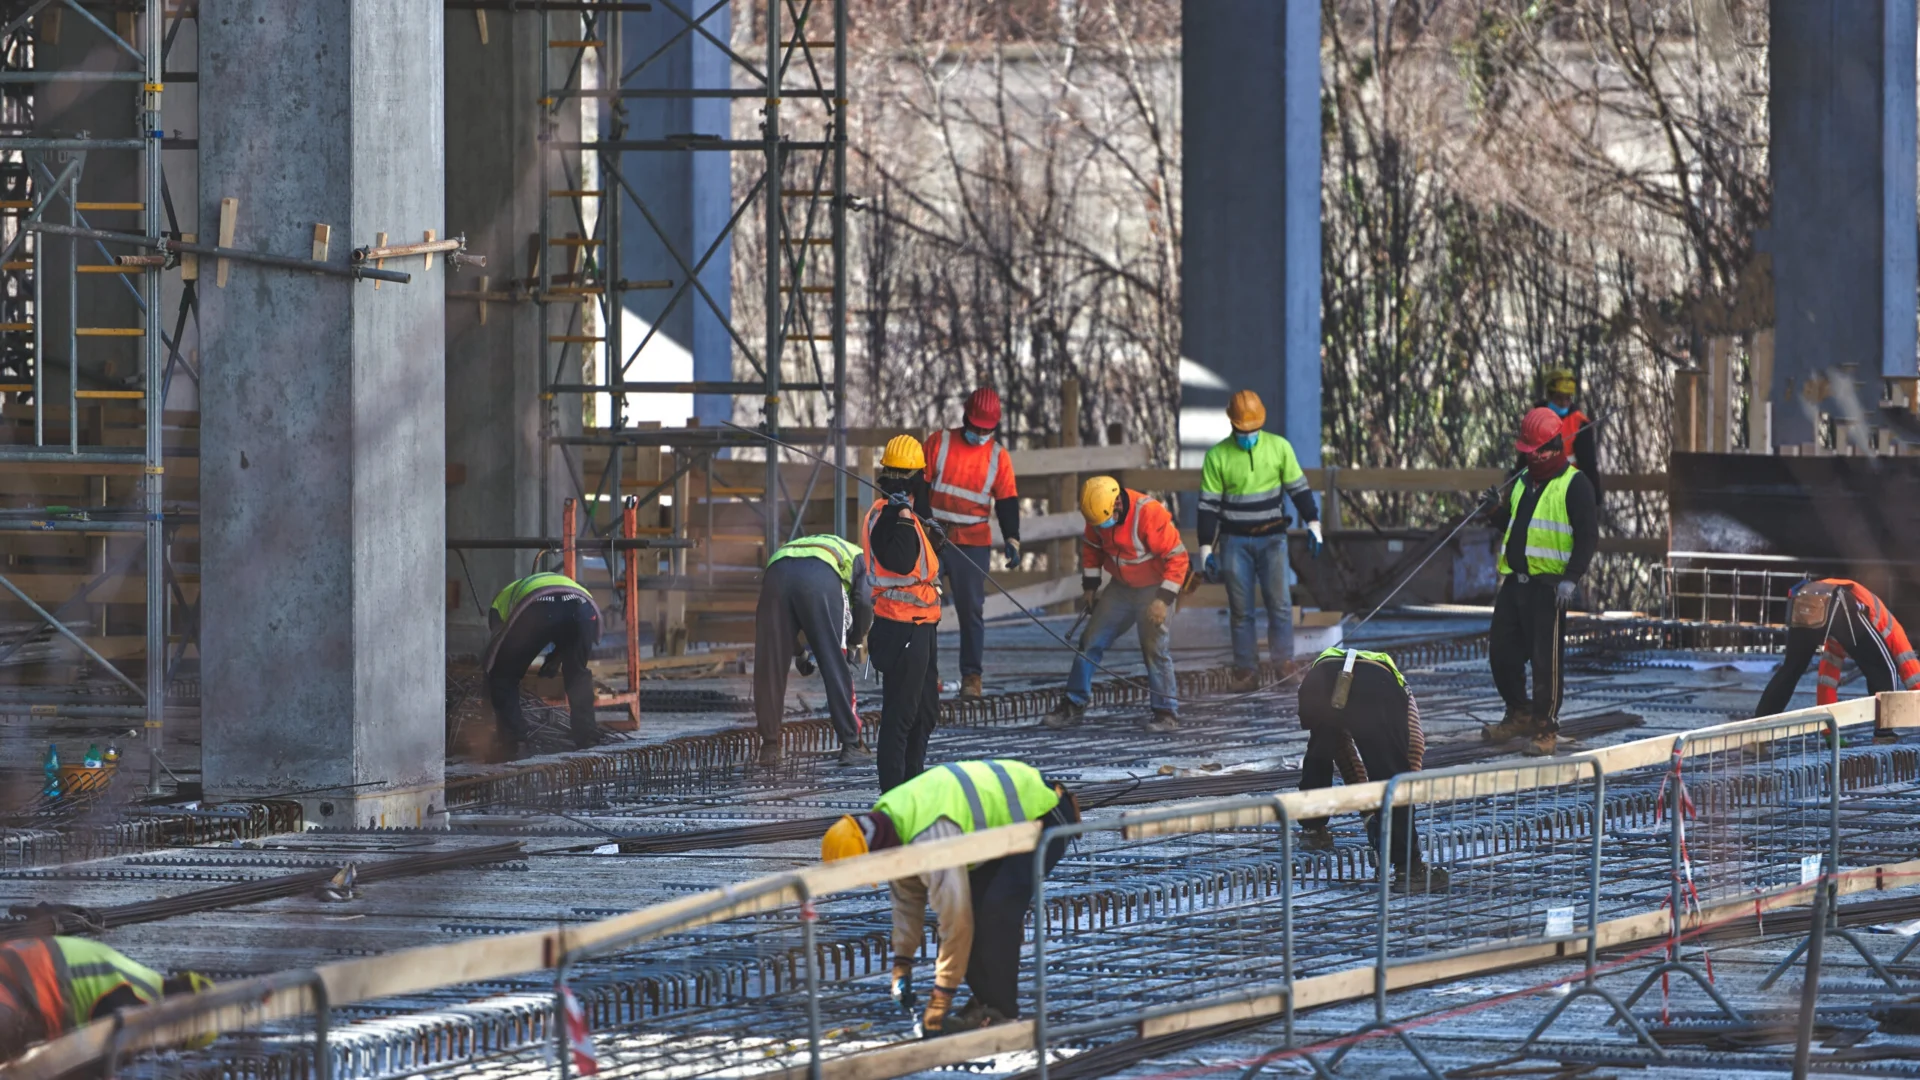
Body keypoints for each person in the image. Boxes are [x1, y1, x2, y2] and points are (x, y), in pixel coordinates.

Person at [819, 759, 1080, 1037]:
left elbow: (957, 925)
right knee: (982, 911)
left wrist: (940, 999)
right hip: (1001, 832)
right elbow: (907, 903)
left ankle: (1002, 1013)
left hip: (1044, 811)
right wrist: (901, 967)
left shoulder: (930, 838)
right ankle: (987, 1004)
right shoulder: (890, 824)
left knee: (994, 912)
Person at [1481, 407, 1598, 757]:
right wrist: (1494, 512)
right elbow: (1517, 527)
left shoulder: (1575, 485)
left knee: (1545, 662)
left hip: (1549, 589)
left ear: (1553, 447)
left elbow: (1587, 537)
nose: (1530, 457)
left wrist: (1571, 579)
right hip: (1515, 585)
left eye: (1535, 451)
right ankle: (1518, 712)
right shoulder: (1520, 482)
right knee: (1501, 654)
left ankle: (1545, 727)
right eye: (1526, 451)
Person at [1197, 389, 1324, 691]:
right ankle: (1246, 670)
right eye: (1243, 431)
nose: (1249, 435)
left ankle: (1284, 664)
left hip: (1272, 539)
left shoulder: (1279, 448)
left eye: (1253, 430)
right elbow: (1208, 507)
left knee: (1279, 603)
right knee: (1241, 610)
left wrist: (1313, 523)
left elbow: (1299, 489)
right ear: (1233, 426)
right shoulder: (1217, 457)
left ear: (1261, 425)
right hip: (1234, 542)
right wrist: (1205, 548)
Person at [1044, 477, 1190, 733]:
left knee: (1154, 647)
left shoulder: (1148, 513)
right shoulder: (1096, 514)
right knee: (1090, 641)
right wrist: (1090, 589)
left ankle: (1166, 713)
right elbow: (1091, 551)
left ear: (1118, 505)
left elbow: (1178, 559)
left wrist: (1163, 600)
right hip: (1122, 588)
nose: (1100, 527)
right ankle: (1073, 705)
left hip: (1155, 588)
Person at [1294, 648, 1446, 893]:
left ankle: (1312, 829)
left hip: (1318, 682)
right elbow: (1414, 748)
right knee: (1392, 774)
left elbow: (1338, 749)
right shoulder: (1399, 693)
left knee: (1320, 748)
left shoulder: (1337, 666)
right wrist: (1395, 800)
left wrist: (1369, 811)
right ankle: (1410, 869)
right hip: (1372, 690)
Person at [924, 388, 1021, 700]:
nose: (979, 433)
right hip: (933, 537)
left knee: (971, 611)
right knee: (922, 607)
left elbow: (1006, 501)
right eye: (976, 427)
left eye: (986, 429)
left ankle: (972, 677)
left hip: (973, 541)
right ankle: (925, 674)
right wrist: (924, 526)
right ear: (965, 418)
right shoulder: (939, 443)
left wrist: (1012, 538)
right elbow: (919, 488)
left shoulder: (997, 457)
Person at [865, 434, 946, 791]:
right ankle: (894, 798)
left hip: (923, 625)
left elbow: (921, 560)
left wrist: (929, 530)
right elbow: (899, 559)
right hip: (899, 628)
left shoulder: (910, 514)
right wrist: (900, 515)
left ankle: (913, 783)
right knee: (900, 718)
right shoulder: (885, 516)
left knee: (925, 713)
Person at [753, 534, 876, 768]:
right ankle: (852, 744)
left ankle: (769, 746)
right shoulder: (860, 557)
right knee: (833, 661)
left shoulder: (805, 546)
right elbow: (864, 603)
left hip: (776, 575)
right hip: (819, 578)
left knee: (770, 663)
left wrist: (799, 654)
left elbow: (784, 627)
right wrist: (853, 642)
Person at [0, 936, 212, 1062]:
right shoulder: (137, 1002)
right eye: (177, 1042)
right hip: (19, 991)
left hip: (20, 982)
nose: (165, 1048)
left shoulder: (139, 980)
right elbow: (90, 1059)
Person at [1755, 578, 1920, 717]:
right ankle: (1884, 736)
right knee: (1884, 669)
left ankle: (1756, 737)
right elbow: (1912, 674)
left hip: (1803, 599)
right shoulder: (1893, 630)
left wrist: (1830, 735)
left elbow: (1826, 683)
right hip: (1836, 600)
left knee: (1791, 670)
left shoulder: (1837, 640)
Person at [484, 570, 603, 760]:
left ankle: (514, 744)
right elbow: (563, 623)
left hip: (535, 607)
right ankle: (588, 738)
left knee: (503, 677)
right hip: (583, 608)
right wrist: (556, 657)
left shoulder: (499, 606)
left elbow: (496, 650)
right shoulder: (532, 587)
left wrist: (490, 675)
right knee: (577, 674)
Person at [1537, 368, 1599, 496]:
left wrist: (1594, 496)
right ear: (1549, 396)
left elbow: (1589, 465)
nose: (1563, 403)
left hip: (1568, 491)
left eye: (1567, 398)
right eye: (1559, 398)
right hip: (1538, 490)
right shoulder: (1535, 420)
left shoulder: (1580, 424)